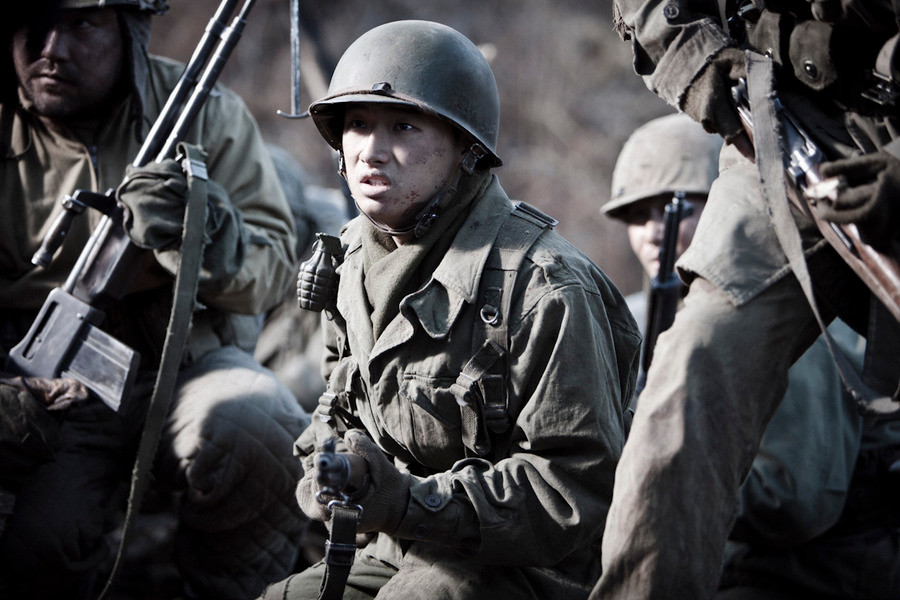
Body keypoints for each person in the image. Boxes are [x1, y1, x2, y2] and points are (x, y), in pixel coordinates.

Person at [257, 19, 641, 600]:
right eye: (357, 125)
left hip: (524, 569)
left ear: (466, 147)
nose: (371, 151)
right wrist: (332, 468)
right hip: (394, 547)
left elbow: (571, 491)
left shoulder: (545, 285)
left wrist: (410, 501)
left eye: (403, 126)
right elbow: (338, 403)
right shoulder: (352, 258)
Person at [0, 1, 311, 598]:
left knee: (262, 426)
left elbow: (273, 272)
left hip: (182, 366)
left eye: (82, 23)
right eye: (34, 21)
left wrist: (202, 238)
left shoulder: (205, 111)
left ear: (129, 29)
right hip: (41, 389)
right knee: (35, 544)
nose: (52, 49)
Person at [592, 0, 900, 596]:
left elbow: (797, 497)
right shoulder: (626, 315)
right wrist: (692, 58)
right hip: (776, 117)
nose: (653, 231)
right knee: (693, 361)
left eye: (670, 209)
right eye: (638, 216)